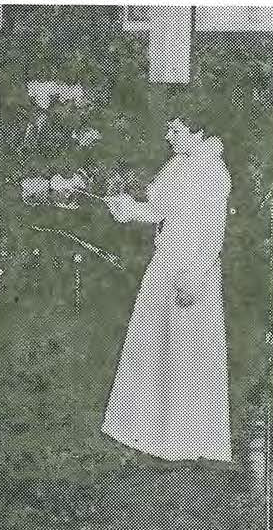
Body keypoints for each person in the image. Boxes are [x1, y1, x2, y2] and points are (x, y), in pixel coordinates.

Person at [101, 117, 232, 463]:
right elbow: (160, 211)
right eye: (169, 129)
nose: (169, 136)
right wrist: (129, 210)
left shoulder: (212, 172)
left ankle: (187, 439)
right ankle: (150, 433)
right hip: (165, 261)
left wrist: (196, 276)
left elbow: (212, 234)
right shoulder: (180, 164)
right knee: (155, 348)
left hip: (190, 268)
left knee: (186, 353)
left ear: (199, 131)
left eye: (177, 130)